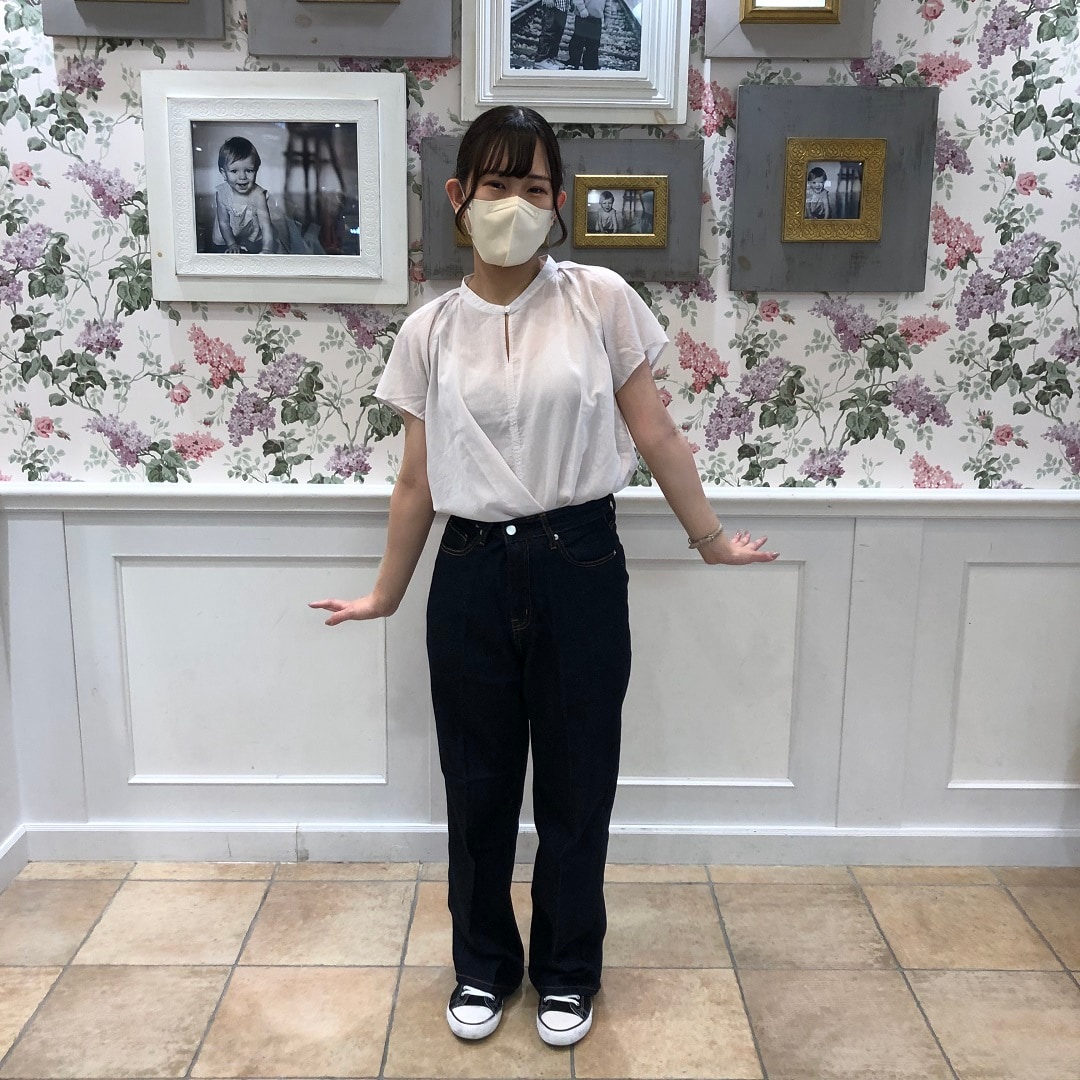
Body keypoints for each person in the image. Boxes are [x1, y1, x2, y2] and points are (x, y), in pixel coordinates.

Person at [309, 105, 777, 1049]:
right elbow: (415, 481)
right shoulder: (430, 330)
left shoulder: (600, 299)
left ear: (558, 201)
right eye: (496, 184)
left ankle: (567, 971)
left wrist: (710, 539)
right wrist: (385, 593)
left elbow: (656, 433)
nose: (514, 205)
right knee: (477, 786)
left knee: (576, 783)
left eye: (534, 187)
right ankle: (483, 966)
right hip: (470, 568)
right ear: (458, 196)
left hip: (580, 561)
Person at [212, 136, 277, 254]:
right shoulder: (222, 194)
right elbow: (224, 223)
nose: (242, 177)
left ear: (256, 170)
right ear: (224, 173)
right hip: (227, 235)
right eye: (234, 171)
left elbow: (265, 225)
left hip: (250, 235)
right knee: (225, 253)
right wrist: (231, 244)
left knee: (255, 252)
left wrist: (267, 249)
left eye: (249, 170)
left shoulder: (258, 195)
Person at [567, 0, 605, 70]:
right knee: (577, 41)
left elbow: (608, 3)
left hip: (596, 19)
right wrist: (582, 9)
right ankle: (574, 62)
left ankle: (590, 66)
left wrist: (607, 17)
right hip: (582, 16)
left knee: (593, 44)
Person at [534, 0, 572, 69]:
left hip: (563, 6)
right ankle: (541, 59)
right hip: (552, 5)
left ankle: (551, 58)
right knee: (549, 32)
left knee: (558, 33)